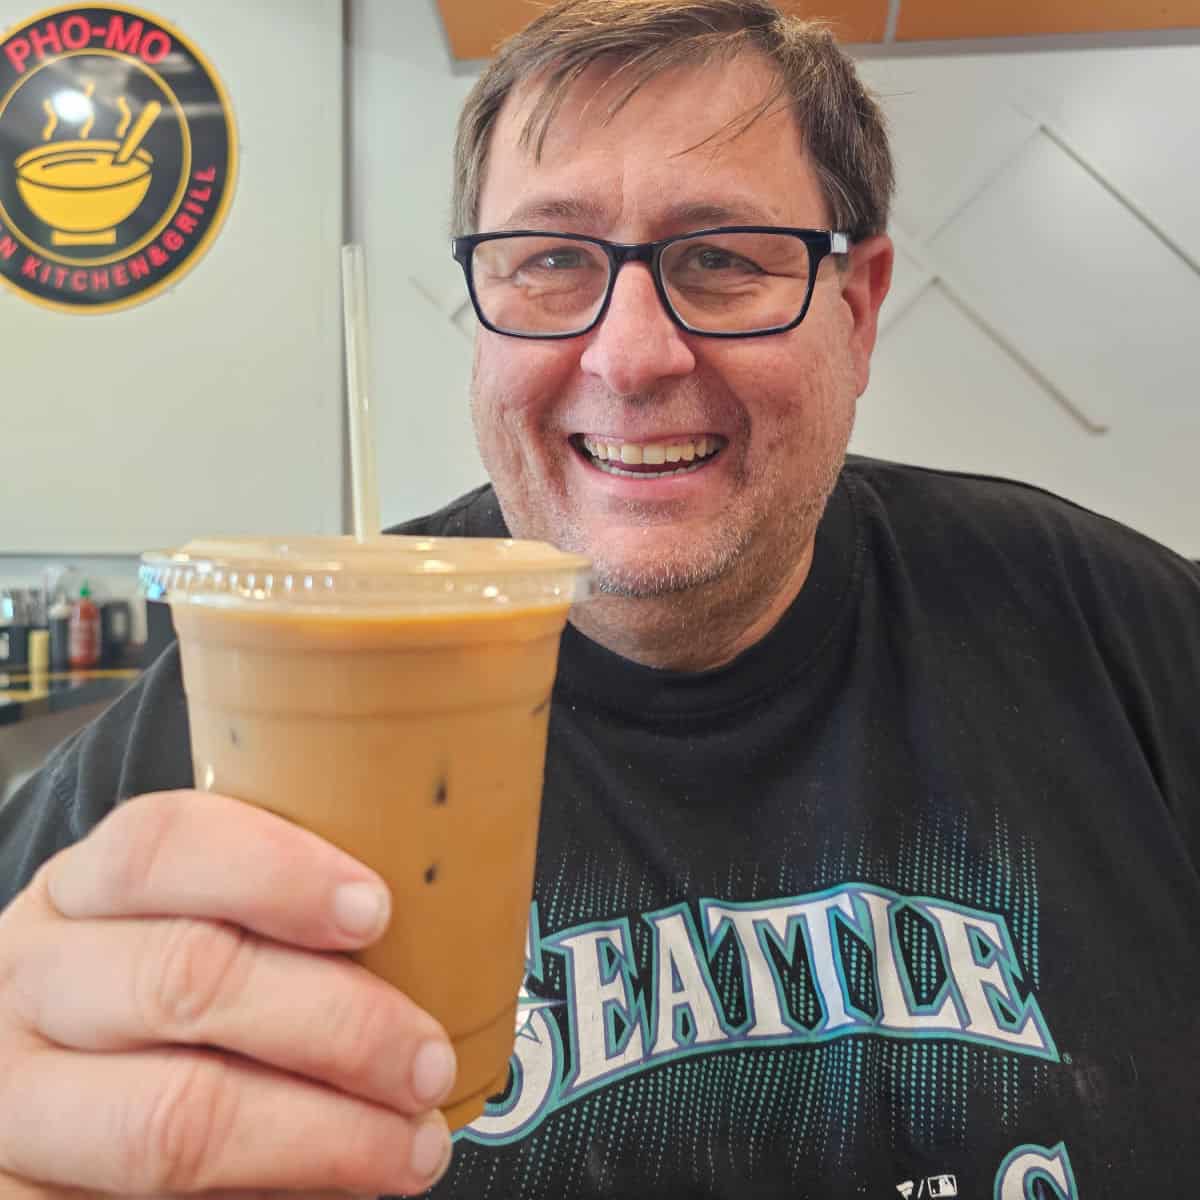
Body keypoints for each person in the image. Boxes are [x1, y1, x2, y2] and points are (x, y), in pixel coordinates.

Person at [1, 0, 1197, 1195]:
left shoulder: (1118, 640)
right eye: (552, 261)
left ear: (858, 307)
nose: (631, 358)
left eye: (722, 257)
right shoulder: (243, 706)